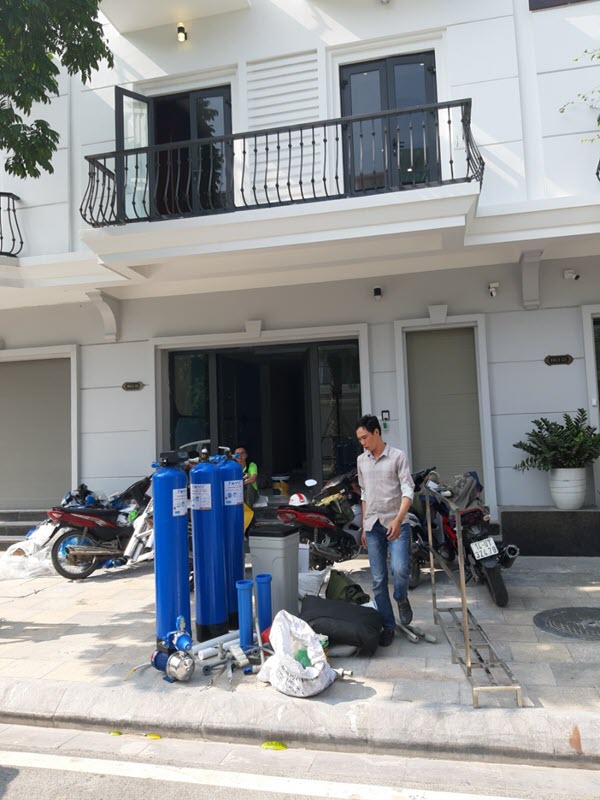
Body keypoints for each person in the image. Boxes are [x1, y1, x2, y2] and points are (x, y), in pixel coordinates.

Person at [356, 414, 415, 647]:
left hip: (397, 522)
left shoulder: (398, 457)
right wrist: (364, 525)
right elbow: (364, 493)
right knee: (378, 580)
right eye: (359, 439)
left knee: (400, 569)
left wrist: (398, 520)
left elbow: (408, 491)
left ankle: (401, 597)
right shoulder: (361, 460)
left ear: (377, 432)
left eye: (365, 437)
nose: (363, 443)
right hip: (372, 526)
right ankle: (388, 625)